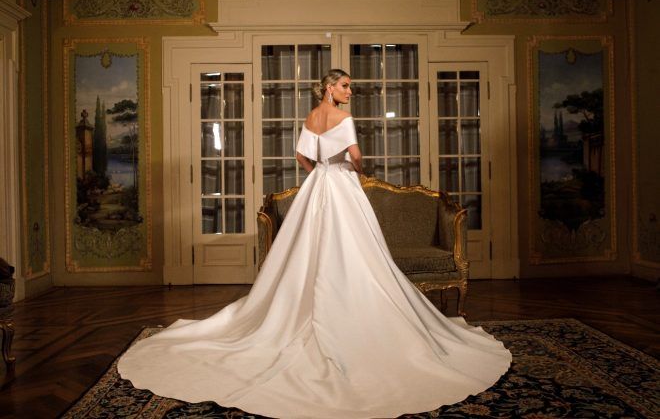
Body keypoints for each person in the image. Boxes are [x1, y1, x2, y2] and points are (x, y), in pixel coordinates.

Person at [118, 69, 511, 418]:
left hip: (318, 182)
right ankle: (350, 309)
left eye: (350, 87)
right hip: (341, 183)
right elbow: (356, 156)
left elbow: (300, 156)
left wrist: (321, 169)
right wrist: (353, 169)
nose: (350, 92)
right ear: (329, 88)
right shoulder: (343, 118)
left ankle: (302, 310)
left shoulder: (311, 117)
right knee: (355, 248)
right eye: (345, 86)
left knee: (310, 249)